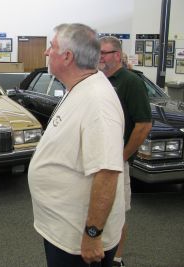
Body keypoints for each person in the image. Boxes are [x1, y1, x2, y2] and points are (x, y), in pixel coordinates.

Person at [28, 23, 125, 267]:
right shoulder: (80, 88)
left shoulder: (97, 101)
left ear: (67, 56)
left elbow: (107, 172)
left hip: (80, 242)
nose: (46, 52)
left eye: (52, 46)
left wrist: (93, 235)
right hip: (64, 230)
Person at [99, 36, 152, 267]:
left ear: (117, 56)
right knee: (97, 209)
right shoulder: (97, 80)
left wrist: (120, 157)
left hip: (117, 163)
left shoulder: (131, 82)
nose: (99, 57)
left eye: (104, 53)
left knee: (117, 213)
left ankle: (116, 260)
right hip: (97, 161)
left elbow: (143, 125)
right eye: (97, 53)